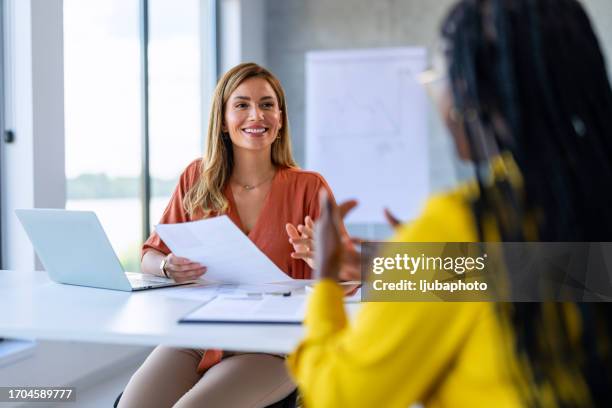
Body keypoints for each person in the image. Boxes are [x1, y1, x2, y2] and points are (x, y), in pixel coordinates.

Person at [288, 0, 612, 407]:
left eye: (441, 76)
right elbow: (553, 274)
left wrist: (325, 282)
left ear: (473, 94)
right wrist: (408, 262)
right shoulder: (585, 204)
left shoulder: (462, 223)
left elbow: (338, 395)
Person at [118, 63, 345, 408]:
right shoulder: (196, 178)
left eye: (267, 104)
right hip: (198, 336)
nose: (256, 114)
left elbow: (351, 279)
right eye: (241, 105)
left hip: (273, 345)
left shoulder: (309, 187)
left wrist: (324, 260)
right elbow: (150, 255)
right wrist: (167, 266)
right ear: (223, 120)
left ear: (280, 118)